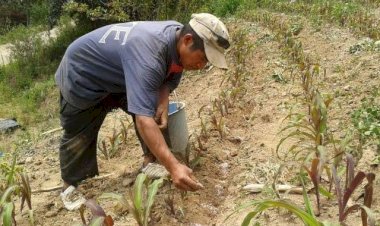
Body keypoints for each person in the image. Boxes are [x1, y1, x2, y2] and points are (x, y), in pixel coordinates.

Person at [55, 13, 230, 210]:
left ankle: (149, 162)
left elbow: (172, 70)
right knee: (79, 132)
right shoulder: (150, 54)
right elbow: (143, 120)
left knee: (154, 107)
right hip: (83, 73)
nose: (202, 65)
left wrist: (163, 98)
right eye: (203, 58)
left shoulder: (176, 37)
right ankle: (69, 186)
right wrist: (173, 167)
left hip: (120, 74)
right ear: (188, 40)